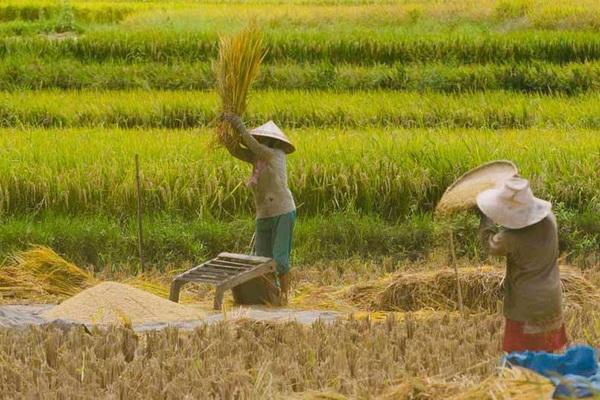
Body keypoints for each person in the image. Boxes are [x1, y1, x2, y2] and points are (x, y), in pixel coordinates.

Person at [477, 177, 567, 353]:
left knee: (521, 361)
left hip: (525, 307)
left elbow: (489, 244)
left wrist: (485, 218)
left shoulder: (510, 238)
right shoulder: (550, 219)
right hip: (551, 300)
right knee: (547, 357)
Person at [221, 113, 296, 305]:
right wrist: (224, 133)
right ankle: (269, 295)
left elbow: (252, 146)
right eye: (261, 139)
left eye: (264, 140)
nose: (261, 142)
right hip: (263, 214)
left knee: (279, 260)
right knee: (261, 260)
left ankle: (284, 297)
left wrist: (238, 123)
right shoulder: (257, 159)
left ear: (272, 142)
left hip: (282, 211)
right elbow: (237, 151)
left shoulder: (274, 155)